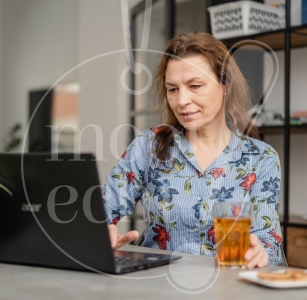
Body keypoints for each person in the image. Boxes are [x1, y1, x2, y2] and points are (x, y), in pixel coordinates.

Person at [103, 31, 282, 268]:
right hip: (156, 286)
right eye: (173, 89)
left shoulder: (261, 158)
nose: (181, 101)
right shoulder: (148, 146)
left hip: (227, 288)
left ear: (225, 86)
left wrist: (261, 253)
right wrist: (103, 232)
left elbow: (268, 240)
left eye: (195, 86)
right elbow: (101, 211)